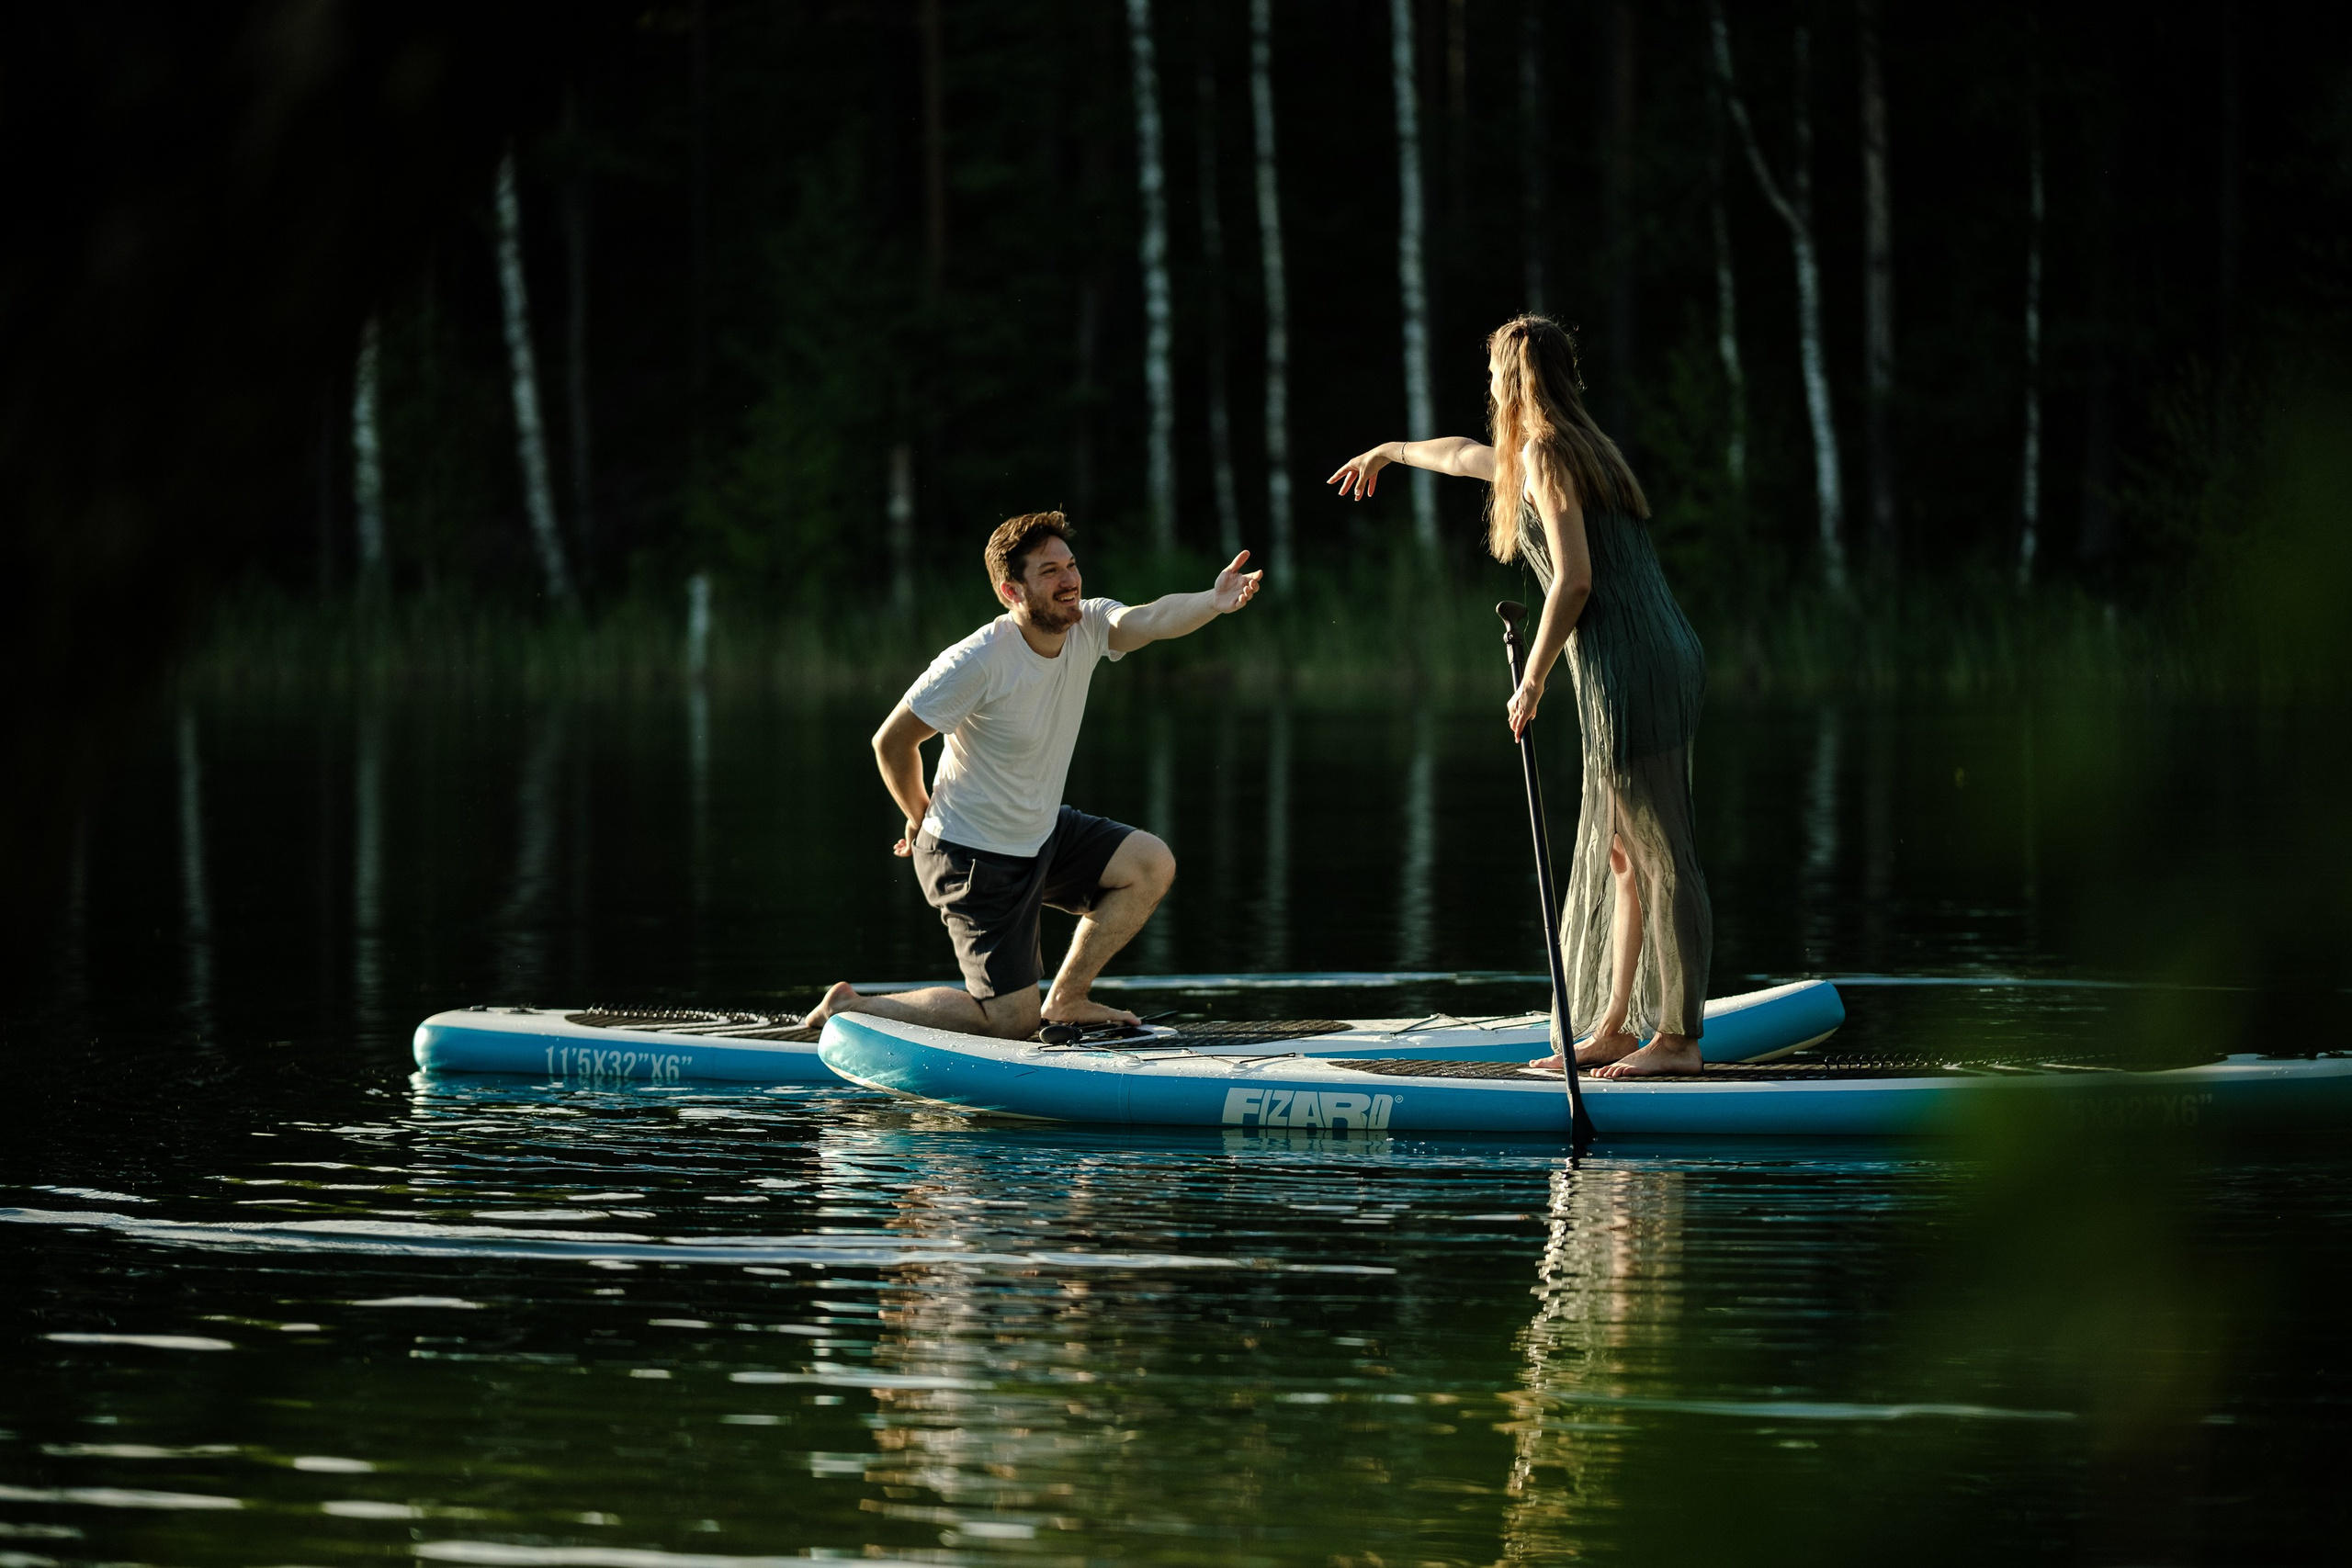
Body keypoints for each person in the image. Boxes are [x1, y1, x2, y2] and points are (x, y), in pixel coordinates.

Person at [1327, 315, 1712, 1078]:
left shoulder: (1550, 453)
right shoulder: (1573, 448)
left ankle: (1679, 1039)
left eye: (1496, 373)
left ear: (1513, 380)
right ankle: (1613, 1027)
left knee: (1663, 853)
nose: (1490, 386)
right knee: (1625, 856)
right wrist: (1391, 451)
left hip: (1632, 662)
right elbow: (1465, 456)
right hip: (1643, 657)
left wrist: (1531, 677)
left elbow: (1573, 579)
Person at [803, 511, 1263, 1039]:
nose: (1069, 580)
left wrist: (1213, 600)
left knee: (1149, 863)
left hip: (1038, 833)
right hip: (971, 854)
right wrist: (919, 813)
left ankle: (1067, 998)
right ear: (1011, 590)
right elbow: (892, 741)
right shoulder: (977, 660)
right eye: (1049, 572)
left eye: (1070, 565)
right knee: (1010, 1024)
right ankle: (852, 1009)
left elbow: (1151, 618)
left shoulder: (1088, 625)